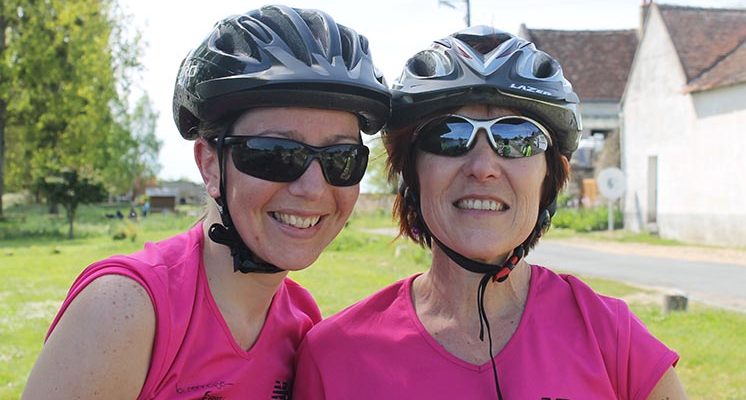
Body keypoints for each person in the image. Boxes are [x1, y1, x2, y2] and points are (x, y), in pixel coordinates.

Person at [294, 26, 686, 399]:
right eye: (449, 135)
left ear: (548, 177)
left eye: (517, 137)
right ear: (411, 175)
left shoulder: (612, 338)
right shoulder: (335, 355)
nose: (483, 167)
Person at [22, 5, 389, 399]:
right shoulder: (124, 310)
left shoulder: (301, 323)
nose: (313, 188)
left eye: (342, 159)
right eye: (274, 153)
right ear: (210, 164)